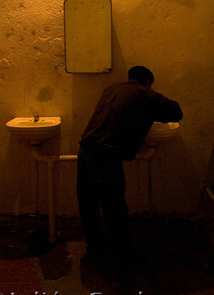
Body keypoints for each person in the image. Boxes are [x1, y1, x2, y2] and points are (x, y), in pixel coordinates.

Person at [77, 65, 183, 259]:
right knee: (114, 206)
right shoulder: (144, 93)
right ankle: (121, 253)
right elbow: (176, 112)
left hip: (85, 150)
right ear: (148, 82)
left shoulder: (111, 89)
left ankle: (96, 248)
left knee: (89, 204)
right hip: (106, 156)